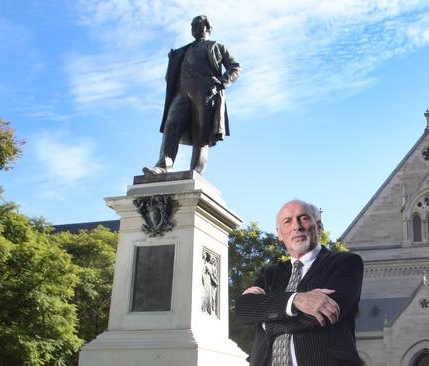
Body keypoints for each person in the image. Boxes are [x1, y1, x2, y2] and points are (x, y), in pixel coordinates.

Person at [235, 200, 364, 366]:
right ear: (280, 234)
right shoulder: (269, 273)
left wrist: (267, 323)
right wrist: (295, 300)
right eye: (287, 221)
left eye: (303, 218)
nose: (297, 226)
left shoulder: (344, 263)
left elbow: (325, 314)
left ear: (319, 226)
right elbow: (244, 309)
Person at [143, 15, 241, 175]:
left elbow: (235, 67)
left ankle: (196, 171)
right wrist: (172, 60)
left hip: (206, 93)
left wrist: (222, 82)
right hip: (183, 91)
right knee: (171, 124)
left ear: (208, 28)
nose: (195, 28)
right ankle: (164, 165)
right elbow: (170, 77)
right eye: (193, 25)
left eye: (198, 25)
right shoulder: (183, 51)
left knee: (201, 133)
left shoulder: (216, 46)